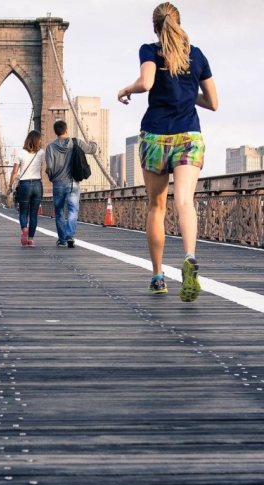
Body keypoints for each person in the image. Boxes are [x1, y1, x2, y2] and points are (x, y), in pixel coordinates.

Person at [117, 2, 218, 301]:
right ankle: (189, 256)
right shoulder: (196, 55)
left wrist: (125, 89)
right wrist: (188, 94)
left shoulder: (149, 50)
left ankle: (158, 276)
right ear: (178, 22)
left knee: (156, 208)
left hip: (156, 136)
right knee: (185, 201)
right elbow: (213, 103)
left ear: (155, 27)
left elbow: (146, 82)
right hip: (189, 134)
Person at [45, 120, 97, 248]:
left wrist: (52, 178)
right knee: (73, 210)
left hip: (58, 183)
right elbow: (92, 149)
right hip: (73, 183)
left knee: (59, 212)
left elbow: (50, 167)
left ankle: (62, 240)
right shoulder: (76, 142)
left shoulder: (50, 147)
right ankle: (69, 235)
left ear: (55, 132)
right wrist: (93, 141)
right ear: (66, 130)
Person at [8, 130, 44, 246]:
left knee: (23, 212)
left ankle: (24, 229)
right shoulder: (41, 153)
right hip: (37, 185)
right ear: (38, 141)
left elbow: (14, 172)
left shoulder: (20, 153)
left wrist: (10, 186)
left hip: (24, 185)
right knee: (33, 214)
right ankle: (31, 239)